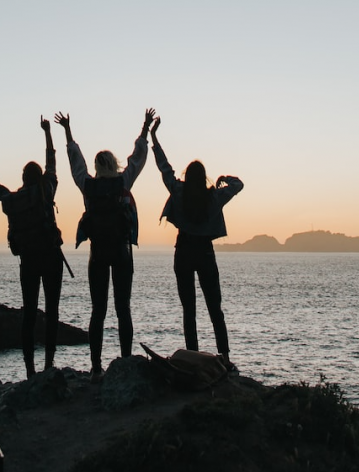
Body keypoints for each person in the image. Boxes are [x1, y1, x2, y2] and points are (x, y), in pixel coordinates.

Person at [55, 108, 155, 382]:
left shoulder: (88, 186)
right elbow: (138, 158)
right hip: (122, 252)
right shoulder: (123, 182)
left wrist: (68, 132)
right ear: (114, 164)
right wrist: (145, 127)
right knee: (123, 308)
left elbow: (76, 163)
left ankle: (96, 367)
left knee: (97, 311)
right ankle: (125, 361)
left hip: (97, 253)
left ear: (97, 167)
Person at [0, 116, 64, 379]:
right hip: (51, 258)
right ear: (39, 177)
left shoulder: (13, 200)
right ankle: (49, 364)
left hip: (28, 261)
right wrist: (48, 133)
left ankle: (29, 369)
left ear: (23, 178)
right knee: (52, 312)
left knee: (29, 314)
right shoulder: (46, 191)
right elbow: (52, 163)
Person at [150, 116, 244, 372]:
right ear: (204, 178)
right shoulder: (214, 196)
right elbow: (238, 185)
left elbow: (164, 167)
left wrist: (154, 137)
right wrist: (224, 177)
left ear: (186, 176)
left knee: (188, 309)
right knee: (215, 308)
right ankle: (224, 357)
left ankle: (191, 355)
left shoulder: (178, 191)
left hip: (183, 251)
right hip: (205, 252)